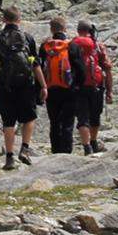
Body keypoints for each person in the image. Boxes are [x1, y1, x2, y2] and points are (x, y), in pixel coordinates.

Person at [0, 8, 43, 170]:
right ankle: (25, 148)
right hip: (26, 83)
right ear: (19, 19)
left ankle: (9, 157)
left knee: (8, 121)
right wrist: (43, 85)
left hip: (6, 84)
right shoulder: (27, 38)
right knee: (29, 117)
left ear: (3, 19)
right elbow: (35, 63)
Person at [39, 17, 79, 155]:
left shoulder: (45, 47)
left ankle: (55, 150)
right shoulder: (71, 45)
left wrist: (40, 87)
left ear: (51, 29)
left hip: (50, 88)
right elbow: (79, 67)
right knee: (68, 122)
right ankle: (66, 151)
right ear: (65, 28)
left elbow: (38, 66)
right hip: (69, 89)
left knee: (54, 121)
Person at [72, 20, 113, 155]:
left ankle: (86, 147)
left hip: (78, 86)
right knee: (95, 116)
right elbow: (107, 68)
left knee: (82, 119)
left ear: (78, 31)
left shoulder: (72, 44)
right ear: (91, 31)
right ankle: (94, 142)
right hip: (96, 86)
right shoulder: (98, 46)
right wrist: (110, 91)